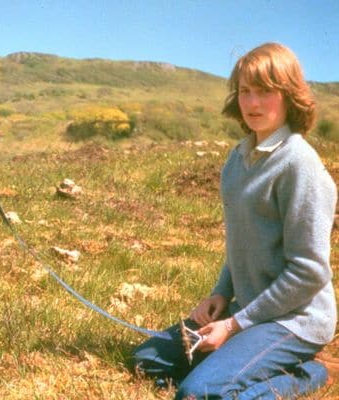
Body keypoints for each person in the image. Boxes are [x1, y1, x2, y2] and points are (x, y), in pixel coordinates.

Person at [134, 42, 337, 399]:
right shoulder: (238, 159)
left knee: (199, 395)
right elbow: (243, 243)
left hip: (295, 320)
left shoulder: (300, 165)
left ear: (289, 96)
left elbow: (309, 272)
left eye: (265, 92)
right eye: (245, 91)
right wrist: (221, 294)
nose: (253, 103)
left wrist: (233, 324)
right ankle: (240, 362)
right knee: (147, 359)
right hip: (248, 309)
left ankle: (311, 373)